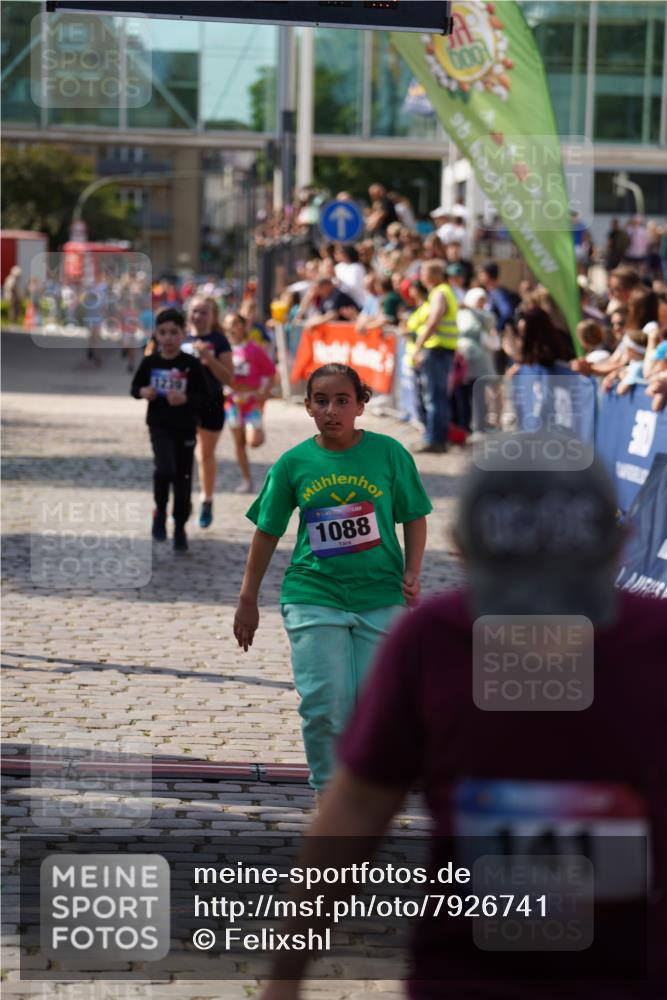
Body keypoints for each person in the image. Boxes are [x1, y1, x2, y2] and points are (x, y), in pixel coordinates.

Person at [257, 442, 667, 1000]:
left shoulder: (433, 639)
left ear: (462, 552)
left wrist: (284, 979)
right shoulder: (433, 641)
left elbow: (354, 812)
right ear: (623, 543)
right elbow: (353, 811)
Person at [233, 363, 431, 793]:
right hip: (312, 593)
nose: (332, 410)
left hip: (381, 594)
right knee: (325, 705)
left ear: (361, 405)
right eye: (321, 401)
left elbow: (414, 516)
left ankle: (365, 786)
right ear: (307, 407)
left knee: (373, 705)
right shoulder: (294, 463)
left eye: (343, 400)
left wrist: (412, 571)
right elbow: (267, 531)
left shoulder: (390, 453)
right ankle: (330, 795)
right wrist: (248, 598)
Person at [130, 308, 210, 552]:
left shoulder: (190, 364)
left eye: (173, 332)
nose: (168, 338)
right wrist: (144, 392)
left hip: (185, 428)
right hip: (159, 425)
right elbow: (135, 387)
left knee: (183, 479)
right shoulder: (150, 361)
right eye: (162, 332)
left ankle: (180, 528)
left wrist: (185, 398)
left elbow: (206, 397)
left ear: (183, 333)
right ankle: (160, 512)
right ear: (156, 334)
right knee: (165, 469)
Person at [185, 296, 233, 529]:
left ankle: (206, 499)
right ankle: (183, 501)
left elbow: (228, 377)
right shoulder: (178, 336)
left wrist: (208, 358)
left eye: (204, 312)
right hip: (182, 403)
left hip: (211, 402)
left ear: (213, 316)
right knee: (181, 454)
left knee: (205, 455)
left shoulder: (219, 340)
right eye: (195, 311)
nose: (198, 316)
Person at [223, 312, 276, 494]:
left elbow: (270, 371)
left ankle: (258, 430)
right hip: (232, 402)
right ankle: (247, 480)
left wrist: (265, 392)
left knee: (254, 441)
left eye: (237, 323)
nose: (233, 327)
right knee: (239, 443)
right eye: (230, 323)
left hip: (251, 401)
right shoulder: (224, 349)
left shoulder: (254, 349)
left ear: (243, 326)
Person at [411, 260, 459, 453]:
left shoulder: (439, 292)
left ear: (432, 275)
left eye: (423, 271)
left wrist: (419, 345)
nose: (421, 276)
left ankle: (433, 440)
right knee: (438, 396)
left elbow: (434, 320)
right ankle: (439, 440)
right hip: (444, 350)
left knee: (433, 397)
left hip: (436, 349)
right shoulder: (446, 291)